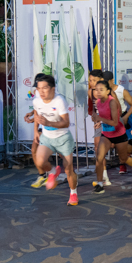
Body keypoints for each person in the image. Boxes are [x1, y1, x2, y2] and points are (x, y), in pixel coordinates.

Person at [32, 75, 79, 205]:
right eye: (39, 88)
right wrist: (36, 130)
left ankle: (73, 193)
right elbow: (36, 113)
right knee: (40, 162)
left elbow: (66, 123)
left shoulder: (59, 101)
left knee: (68, 168)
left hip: (63, 138)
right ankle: (53, 172)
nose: (41, 91)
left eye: (45, 88)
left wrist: (48, 122)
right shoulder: (36, 100)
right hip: (47, 138)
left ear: (53, 89)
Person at [92, 80, 132, 194]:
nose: (98, 92)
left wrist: (100, 119)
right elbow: (105, 117)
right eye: (96, 89)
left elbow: (115, 122)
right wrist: (99, 122)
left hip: (119, 133)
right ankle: (100, 184)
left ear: (108, 91)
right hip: (106, 134)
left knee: (123, 158)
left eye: (101, 90)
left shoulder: (112, 102)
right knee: (99, 158)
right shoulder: (98, 102)